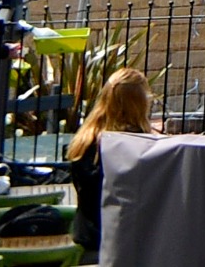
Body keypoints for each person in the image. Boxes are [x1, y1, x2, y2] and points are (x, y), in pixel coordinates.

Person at [67, 66, 156, 253]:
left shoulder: (86, 138)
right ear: (138, 104)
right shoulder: (134, 143)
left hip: (86, 234)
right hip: (116, 240)